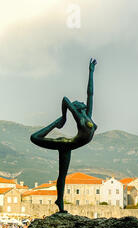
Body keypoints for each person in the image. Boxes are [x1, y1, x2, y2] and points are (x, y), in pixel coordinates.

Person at [30, 59, 98, 213]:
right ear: (78, 107)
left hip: (69, 146)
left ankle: (59, 202)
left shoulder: (88, 116)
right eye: (79, 102)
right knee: (34, 138)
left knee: (62, 176)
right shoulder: (80, 118)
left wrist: (91, 71)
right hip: (65, 143)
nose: (83, 101)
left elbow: (90, 93)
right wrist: (64, 117)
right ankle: (55, 123)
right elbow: (65, 100)